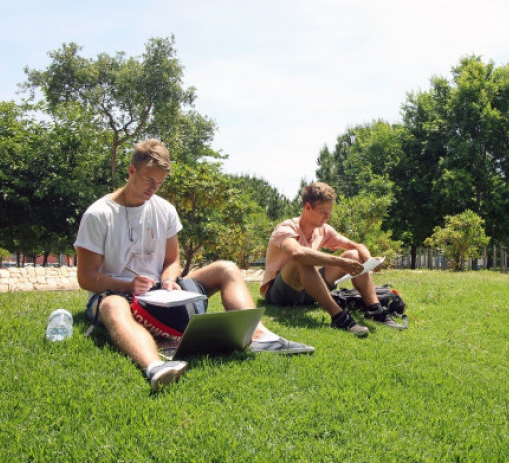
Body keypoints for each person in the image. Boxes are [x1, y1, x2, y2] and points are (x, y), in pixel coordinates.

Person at [75, 139, 313, 392]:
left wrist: (168, 279)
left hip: (160, 292)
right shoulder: (99, 214)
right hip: (117, 293)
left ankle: (258, 336)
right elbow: (87, 278)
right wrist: (128, 284)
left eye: (160, 182)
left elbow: (172, 261)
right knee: (112, 305)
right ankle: (155, 366)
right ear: (131, 171)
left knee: (226, 268)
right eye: (148, 180)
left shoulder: (164, 209)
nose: (153, 188)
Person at [260, 182, 405, 336]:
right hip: (279, 294)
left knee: (353, 255)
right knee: (302, 259)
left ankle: (375, 310)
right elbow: (297, 253)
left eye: (329, 212)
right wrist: (340, 262)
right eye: (323, 212)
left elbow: (356, 245)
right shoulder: (285, 229)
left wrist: (369, 259)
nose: (327, 217)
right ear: (307, 207)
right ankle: (339, 317)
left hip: (307, 291)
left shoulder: (322, 230)